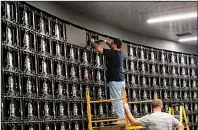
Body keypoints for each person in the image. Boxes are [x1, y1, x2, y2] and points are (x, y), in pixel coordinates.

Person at [90, 38, 125, 123]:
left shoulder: (113, 53)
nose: (111, 44)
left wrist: (93, 42)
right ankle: (124, 117)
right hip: (121, 80)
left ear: (115, 45)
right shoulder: (120, 53)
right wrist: (106, 42)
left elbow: (99, 49)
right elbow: (112, 47)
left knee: (116, 100)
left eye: (112, 43)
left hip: (115, 81)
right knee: (121, 100)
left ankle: (121, 119)